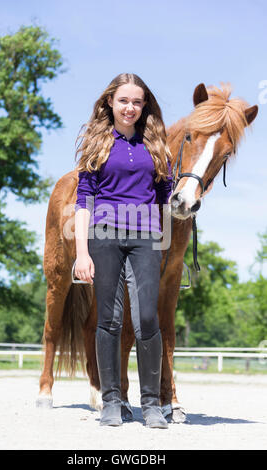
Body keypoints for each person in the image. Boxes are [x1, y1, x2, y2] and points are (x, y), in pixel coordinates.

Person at [74, 73, 173, 428]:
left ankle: (150, 405)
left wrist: (163, 244)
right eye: (123, 101)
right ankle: (112, 401)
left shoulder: (157, 144)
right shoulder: (97, 142)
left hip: (146, 238)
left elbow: (165, 198)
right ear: (110, 103)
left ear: (144, 105)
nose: (130, 107)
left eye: (137, 101)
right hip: (104, 236)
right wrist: (82, 253)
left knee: (148, 319)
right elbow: (83, 199)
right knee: (110, 320)